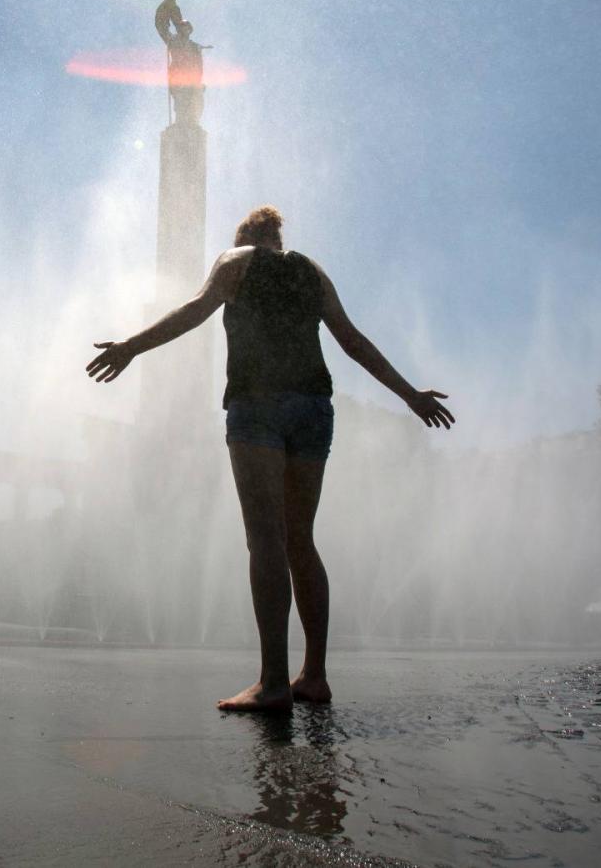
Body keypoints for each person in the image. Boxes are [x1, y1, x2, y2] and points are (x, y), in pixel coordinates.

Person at [87, 205, 453, 711]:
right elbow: (351, 341)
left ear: (246, 236)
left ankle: (273, 682)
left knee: (266, 538)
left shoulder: (234, 260)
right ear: (279, 239)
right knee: (301, 539)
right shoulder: (312, 271)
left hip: (257, 406)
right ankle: (315, 677)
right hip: (313, 409)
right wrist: (410, 395)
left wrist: (130, 346)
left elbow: (194, 311)